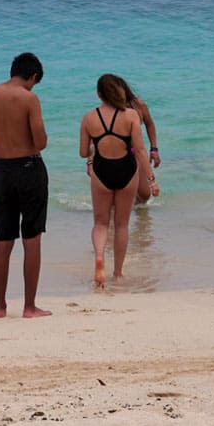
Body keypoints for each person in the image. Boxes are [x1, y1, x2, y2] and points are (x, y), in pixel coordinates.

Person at [0, 52, 51, 318]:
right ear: (32, 77)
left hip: (3, 171)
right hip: (29, 169)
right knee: (32, 239)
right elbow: (40, 141)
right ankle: (29, 306)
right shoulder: (29, 98)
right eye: (34, 82)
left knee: (3, 239)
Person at [79, 75, 148, 286]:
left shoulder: (89, 117)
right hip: (126, 170)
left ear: (99, 94)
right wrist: (151, 179)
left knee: (100, 223)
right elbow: (139, 149)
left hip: (101, 171)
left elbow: (83, 152)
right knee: (121, 225)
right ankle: (117, 273)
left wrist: (95, 147)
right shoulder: (131, 116)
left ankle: (100, 256)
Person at [116, 75, 161, 203]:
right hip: (116, 154)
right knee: (117, 195)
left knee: (145, 195)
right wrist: (90, 161)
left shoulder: (139, 105)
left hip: (136, 151)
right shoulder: (109, 109)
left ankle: (140, 219)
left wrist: (154, 149)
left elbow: (150, 124)